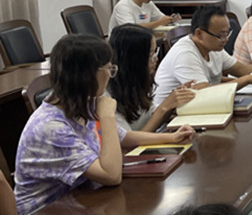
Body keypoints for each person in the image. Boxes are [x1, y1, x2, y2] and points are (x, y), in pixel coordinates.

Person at [14, 34, 194, 215]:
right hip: (50, 209)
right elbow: (111, 175)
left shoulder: (81, 102)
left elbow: (122, 137)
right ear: (89, 74)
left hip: (84, 199)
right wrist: (107, 116)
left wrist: (171, 137)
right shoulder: (51, 127)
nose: (110, 75)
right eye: (109, 68)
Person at [153, 6, 252, 106]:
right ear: (199, 33)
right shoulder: (185, 54)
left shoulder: (213, 47)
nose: (225, 39)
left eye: (227, 33)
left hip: (195, 108)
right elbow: (205, 93)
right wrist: (247, 79)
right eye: (221, 35)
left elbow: (241, 69)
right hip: (169, 119)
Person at [107, 24, 196, 132]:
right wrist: (165, 107)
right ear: (133, 60)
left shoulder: (136, 82)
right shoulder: (108, 96)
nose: (156, 58)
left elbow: (151, 117)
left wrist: (174, 102)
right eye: (151, 55)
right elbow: (130, 140)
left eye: (155, 52)